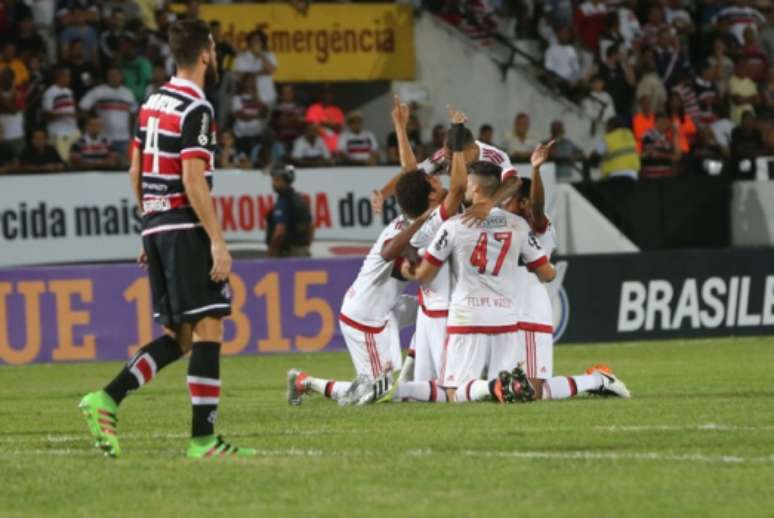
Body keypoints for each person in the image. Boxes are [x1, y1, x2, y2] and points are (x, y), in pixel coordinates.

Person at [78, 19, 256, 459]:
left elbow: (135, 171)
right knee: (209, 327)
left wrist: (149, 225)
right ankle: (203, 441)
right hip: (183, 227)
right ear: (205, 54)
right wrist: (216, 239)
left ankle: (106, 400)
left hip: (157, 225)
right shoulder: (198, 107)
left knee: (180, 336)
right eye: (213, 48)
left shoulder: (152, 101)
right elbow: (193, 178)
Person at [402, 161, 554, 403]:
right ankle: (495, 386)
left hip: (467, 317)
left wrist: (409, 272)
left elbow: (425, 274)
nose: (464, 189)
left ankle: (490, 386)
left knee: (454, 392)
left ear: (478, 190)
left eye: (469, 185)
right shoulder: (518, 225)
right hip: (506, 319)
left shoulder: (454, 225)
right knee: (507, 394)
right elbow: (547, 273)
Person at [79, 66, 138, 164]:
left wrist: (132, 135)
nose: (113, 77)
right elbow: (83, 107)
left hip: (124, 138)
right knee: (107, 166)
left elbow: (133, 115)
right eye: (111, 75)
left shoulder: (128, 93)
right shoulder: (98, 91)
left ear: (121, 76)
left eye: (116, 75)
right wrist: (93, 124)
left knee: (127, 166)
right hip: (104, 138)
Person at [265, 165, 314, 257]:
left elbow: (279, 231)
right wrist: (306, 246)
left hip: (289, 253)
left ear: (284, 181)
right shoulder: (299, 199)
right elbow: (311, 226)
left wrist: (271, 251)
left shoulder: (284, 201)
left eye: (276, 180)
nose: (273, 183)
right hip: (302, 251)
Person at [42, 66, 80, 162]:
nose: (69, 79)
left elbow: (72, 110)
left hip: (73, 130)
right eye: (67, 76)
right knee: (63, 160)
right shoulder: (50, 92)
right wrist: (66, 114)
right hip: (58, 132)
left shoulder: (69, 91)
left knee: (75, 159)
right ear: (60, 77)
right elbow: (47, 114)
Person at [232, 29, 277, 107]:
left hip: (268, 97)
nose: (256, 42)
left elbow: (271, 70)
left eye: (259, 40)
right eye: (254, 40)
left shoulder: (268, 55)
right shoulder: (241, 58)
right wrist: (259, 73)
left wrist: (260, 55)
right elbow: (238, 76)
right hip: (248, 101)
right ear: (249, 42)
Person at [231, 73, 268, 155]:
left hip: (256, 135)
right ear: (244, 83)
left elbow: (265, 114)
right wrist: (257, 115)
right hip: (241, 135)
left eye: (253, 81)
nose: (251, 84)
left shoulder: (259, 97)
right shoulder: (237, 98)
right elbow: (240, 115)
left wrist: (257, 98)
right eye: (249, 81)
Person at [594, 116, 640, 180]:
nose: (605, 129)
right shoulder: (630, 135)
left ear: (610, 127)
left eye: (606, 127)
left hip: (615, 175)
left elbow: (595, 155)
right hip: (633, 175)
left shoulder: (607, 138)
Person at [641, 112, 682, 178]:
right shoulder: (648, 135)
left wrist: (675, 133)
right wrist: (669, 156)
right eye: (666, 122)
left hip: (666, 176)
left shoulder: (667, 138)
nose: (668, 124)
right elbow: (652, 154)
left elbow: (677, 156)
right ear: (658, 122)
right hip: (652, 177)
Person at [304, 86, 343, 153]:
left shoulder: (337, 111)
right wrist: (330, 124)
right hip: (317, 147)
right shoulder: (313, 108)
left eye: (329, 94)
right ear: (321, 96)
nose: (327, 96)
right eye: (325, 94)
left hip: (334, 147)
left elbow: (338, 129)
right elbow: (311, 127)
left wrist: (324, 123)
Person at [271, 84, 306, 152]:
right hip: (280, 140)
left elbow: (303, 123)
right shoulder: (276, 109)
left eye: (289, 92)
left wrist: (290, 120)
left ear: (293, 94)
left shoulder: (300, 108)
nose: (287, 94)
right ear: (281, 95)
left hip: (297, 139)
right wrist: (293, 120)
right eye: (285, 93)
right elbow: (276, 124)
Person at [731, 110, 764, 180]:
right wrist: (749, 154)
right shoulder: (736, 131)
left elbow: (761, 148)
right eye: (747, 119)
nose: (749, 122)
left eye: (751, 119)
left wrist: (757, 154)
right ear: (742, 120)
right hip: (739, 159)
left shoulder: (757, 133)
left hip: (755, 160)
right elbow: (737, 148)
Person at [119, 37, 153, 103]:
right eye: (125, 48)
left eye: (129, 48)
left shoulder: (144, 62)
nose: (127, 50)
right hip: (124, 98)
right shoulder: (121, 63)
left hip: (141, 99)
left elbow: (149, 80)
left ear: (135, 49)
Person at [0, 69, 25, 157]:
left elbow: (14, 110)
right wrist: (10, 100)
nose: (2, 80)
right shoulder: (15, 94)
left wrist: (2, 98)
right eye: (1, 78)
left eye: (5, 78)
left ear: (12, 79)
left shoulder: (19, 92)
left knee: (20, 161)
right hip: (1, 137)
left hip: (16, 135)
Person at [730, 56, 760, 124]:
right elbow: (738, 101)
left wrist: (743, 98)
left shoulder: (751, 82)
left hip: (751, 118)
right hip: (735, 119)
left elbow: (757, 101)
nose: (743, 68)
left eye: (745, 66)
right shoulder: (731, 81)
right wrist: (751, 98)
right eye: (740, 66)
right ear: (735, 67)